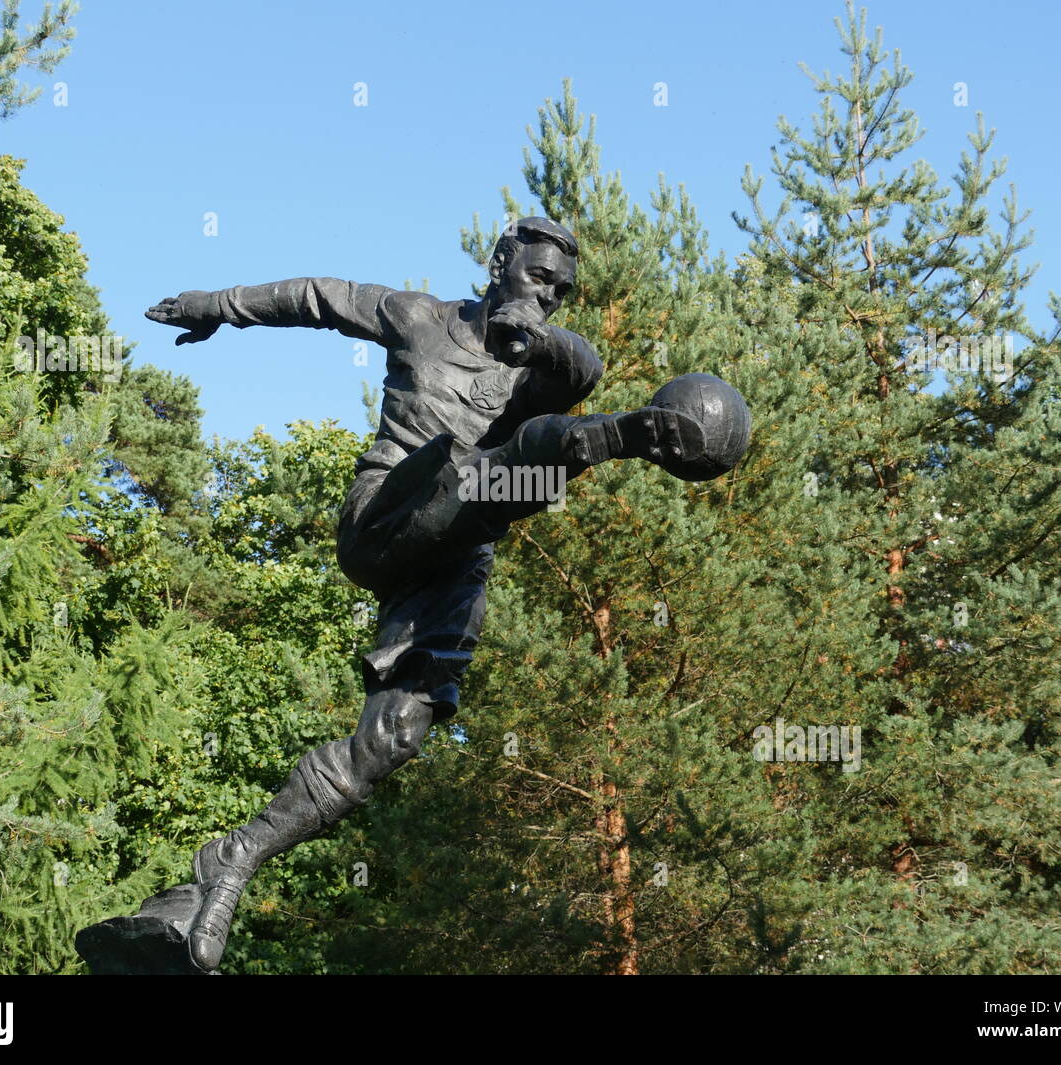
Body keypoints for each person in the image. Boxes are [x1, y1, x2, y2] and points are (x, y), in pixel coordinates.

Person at [143, 217, 708, 971]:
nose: (550, 294)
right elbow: (317, 296)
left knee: (395, 738)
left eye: (562, 290)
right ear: (501, 260)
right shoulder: (417, 318)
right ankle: (631, 435)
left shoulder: (553, 367)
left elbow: (581, 360)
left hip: (454, 558)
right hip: (391, 514)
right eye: (539, 278)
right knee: (516, 457)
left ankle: (231, 862)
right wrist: (220, 303)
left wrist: (531, 338)